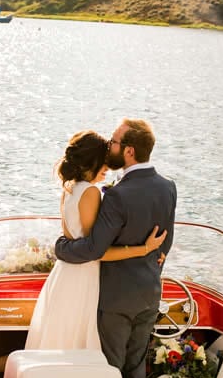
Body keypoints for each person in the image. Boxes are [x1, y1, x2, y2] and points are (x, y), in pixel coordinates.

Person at [55, 119, 177, 378]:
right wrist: (151, 270)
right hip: (150, 293)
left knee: (110, 367)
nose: (110, 146)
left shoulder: (116, 196)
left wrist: (61, 249)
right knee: (135, 366)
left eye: (114, 142)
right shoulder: (168, 187)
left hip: (115, 299)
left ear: (129, 150)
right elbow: (166, 242)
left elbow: (94, 248)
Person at [26, 130, 166, 351]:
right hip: (83, 275)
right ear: (92, 161)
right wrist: (144, 249)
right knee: (77, 340)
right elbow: (97, 250)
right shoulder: (90, 192)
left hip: (64, 273)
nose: (107, 168)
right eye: (104, 162)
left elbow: (69, 237)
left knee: (60, 337)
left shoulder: (69, 188)